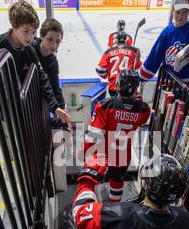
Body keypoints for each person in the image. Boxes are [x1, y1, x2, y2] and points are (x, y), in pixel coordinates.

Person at [0, 0, 71, 128]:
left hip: (20, 110)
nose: (30, 37)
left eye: (33, 32)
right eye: (26, 31)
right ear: (14, 25)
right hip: (1, 111)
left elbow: (42, 78)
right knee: (10, 142)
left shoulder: (29, 51)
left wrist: (55, 107)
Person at [82, 69, 150, 202]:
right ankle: (115, 209)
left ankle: (93, 207)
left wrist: (88, 157)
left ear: (118, 85)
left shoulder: (105, 106)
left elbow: (92, 136)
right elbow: (140, 118)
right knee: (117, 183)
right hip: (123, 155)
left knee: (93, 181)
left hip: (103, 153)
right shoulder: (144, 110)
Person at [32, 18, 68, 129]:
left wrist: (62, 108)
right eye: (50, 39)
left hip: (37, 105)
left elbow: (55, 87)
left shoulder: (53, 62)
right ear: (41, 36)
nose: (54, 45)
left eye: (58, 41)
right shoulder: (30, 50)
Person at [96, 31, 142, 96]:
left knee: (114, 105)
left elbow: (100, 70)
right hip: (129, 87)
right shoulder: (133, 51)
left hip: (113, 87)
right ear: (126, 40)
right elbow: (139, 69)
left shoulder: (108, 52)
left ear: (116, 40)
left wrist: (107, 75)